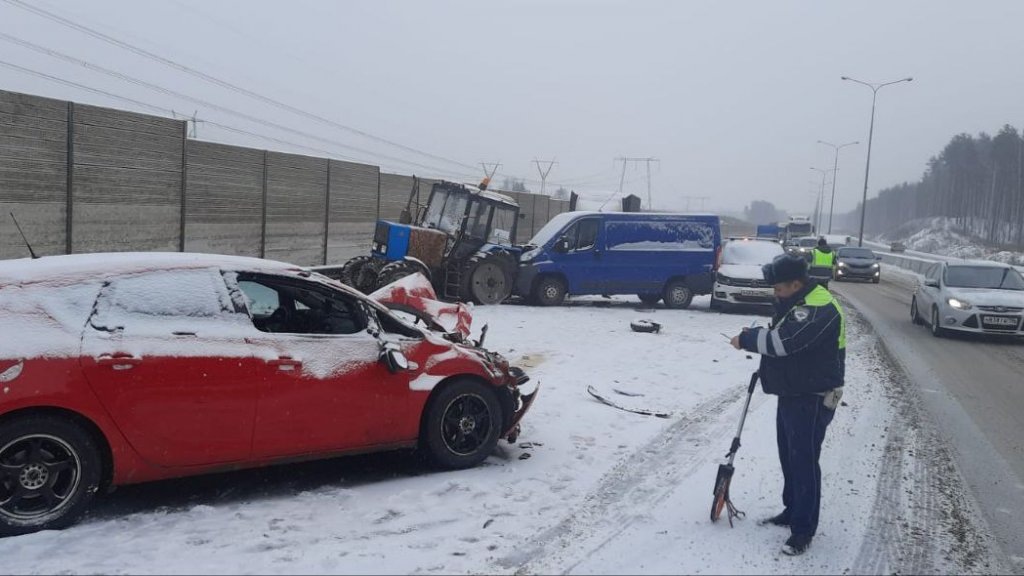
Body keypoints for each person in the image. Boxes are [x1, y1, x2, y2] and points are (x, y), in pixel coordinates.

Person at [729, 253, 845, 556]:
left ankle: (803, 530)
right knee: (789, 455)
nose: (776, 294)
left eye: (779, 289)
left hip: (814, 396)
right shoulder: (797, 302)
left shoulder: (818, 307)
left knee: (804, 461)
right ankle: (792, 510)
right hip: (795, 391)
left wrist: (748, 339)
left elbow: (783, 342)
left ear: (797, 283)